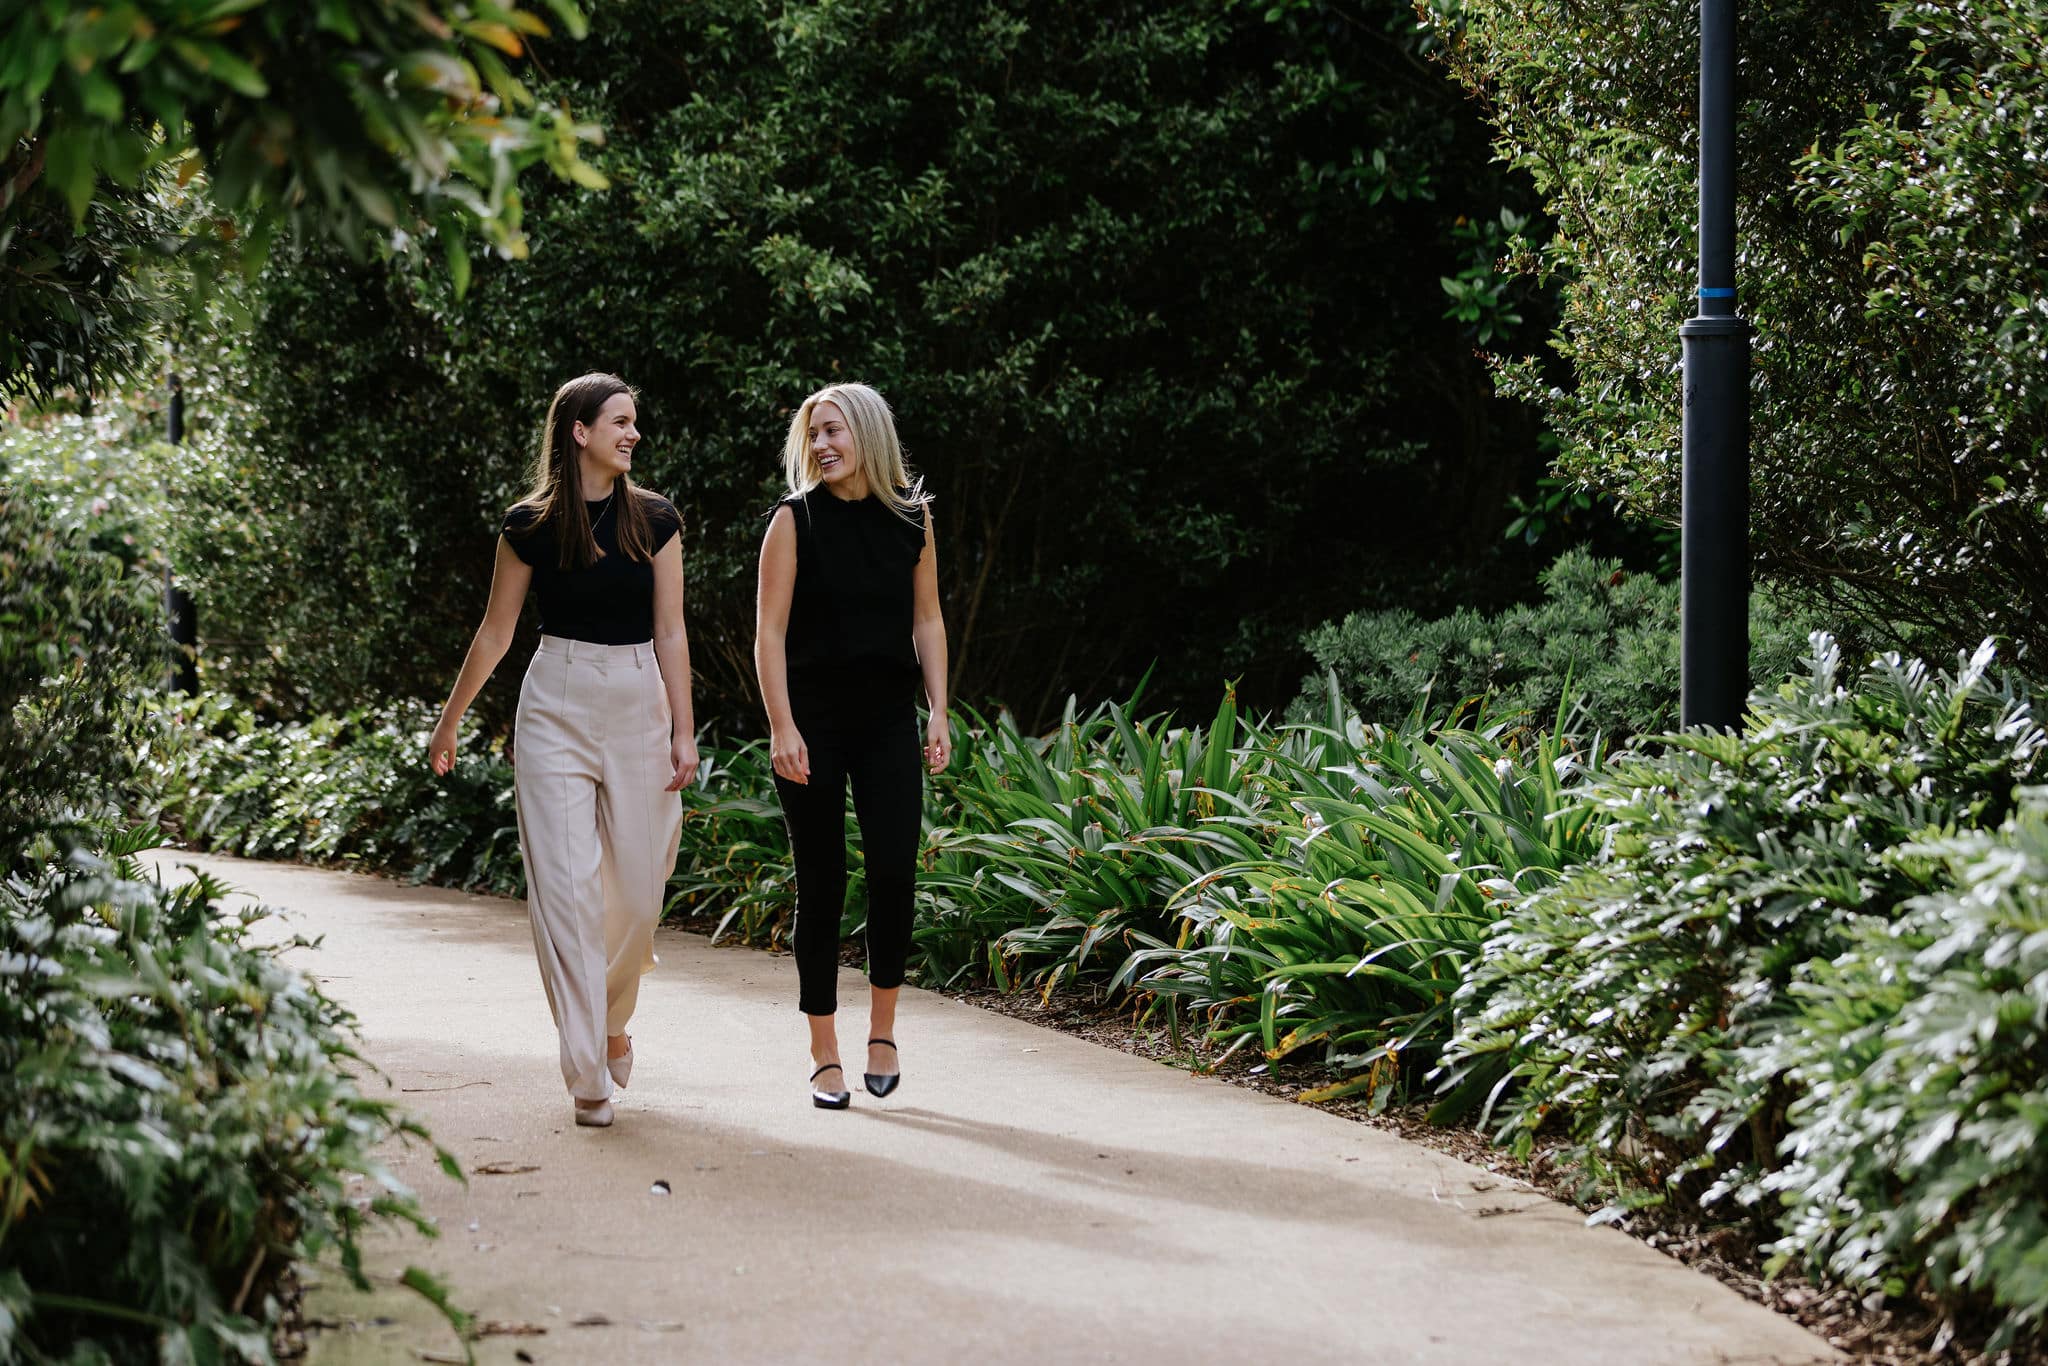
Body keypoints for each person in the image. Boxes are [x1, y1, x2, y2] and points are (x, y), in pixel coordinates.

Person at [427, 372, 698, 1129]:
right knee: (567, 895)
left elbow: (672, 629)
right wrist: (451, 721)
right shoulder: (530, 524)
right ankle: (588, 1074)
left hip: (640, 696)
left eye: (634, 422)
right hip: (556, 704)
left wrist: (684, 726)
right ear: (579, 431)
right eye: (619, 421)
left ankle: (611, 1018)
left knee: (641, 893)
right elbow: (496, 630)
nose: (633, 434)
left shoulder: (656, 519)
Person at [754, 382, 950, 1109]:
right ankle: (823, 1049)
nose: (821, 446)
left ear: (866, 434)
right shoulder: (793, 521)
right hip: (812, 723)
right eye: (812, 436)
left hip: (887, 719)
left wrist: (939, 710)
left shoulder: (911, 519)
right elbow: (768, 632)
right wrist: (781, 725)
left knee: (895, 872)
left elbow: (927, 619)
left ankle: (884, 1031)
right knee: (823, 882)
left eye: (832, 431)